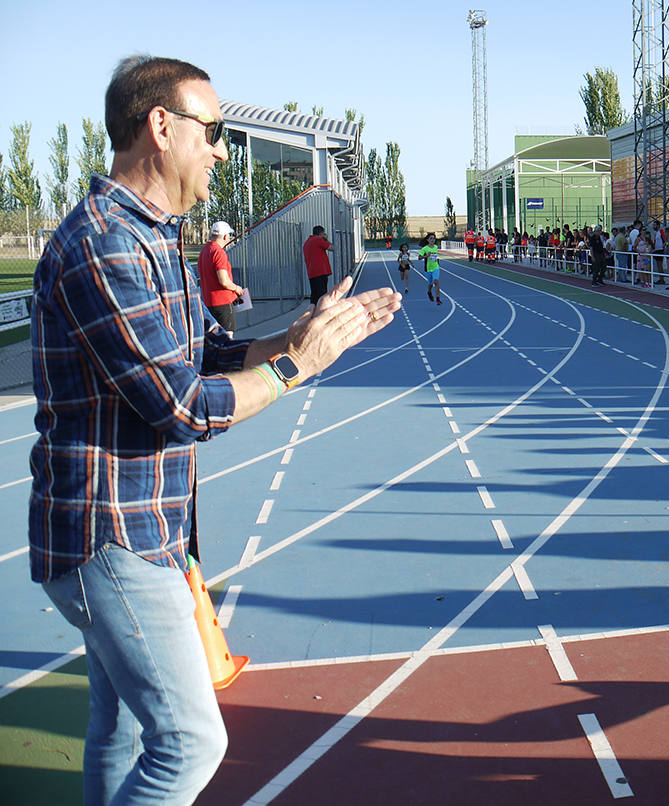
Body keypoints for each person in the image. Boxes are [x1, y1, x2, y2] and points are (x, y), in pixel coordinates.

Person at [29, 55, 401, 805]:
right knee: (191, 744)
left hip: (143, 533)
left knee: (121, 729)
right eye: (215, 130)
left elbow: (214, 353)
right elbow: (183, 405)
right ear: (160, 127)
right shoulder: (105, 245)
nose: (223, 149)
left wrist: (299, 335)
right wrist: (296, 366)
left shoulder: (152, 235)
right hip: (113, 539)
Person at [198, 220, 243, 332]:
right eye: (228, 235)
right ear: (224, 236)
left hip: (209, 301)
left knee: (214, 337)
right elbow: (224, 281)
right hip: (223, 302)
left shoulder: (204, 251)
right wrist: (236, 288)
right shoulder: (218, 252)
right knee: (228, 336)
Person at [303, 225, 334, 305]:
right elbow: (332, 248)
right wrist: (326, 239)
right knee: (322, 295)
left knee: (314, 295)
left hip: (312, 273)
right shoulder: (318, 240)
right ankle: (321, 313)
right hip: (320, 272)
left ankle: (312, 312)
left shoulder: (307, 242)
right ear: (321, 234)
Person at [421, 232, 442, 305]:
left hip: (436, 267)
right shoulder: (425, 248)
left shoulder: (436, 247)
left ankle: (438, 299)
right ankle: (429, 292)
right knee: (430, 283)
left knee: (436, 281)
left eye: (434, 238)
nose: (433, 240)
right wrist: (426, 256)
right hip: (428, 268)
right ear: (428, 240)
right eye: (431, 238)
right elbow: (419, 257)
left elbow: (436, 256)